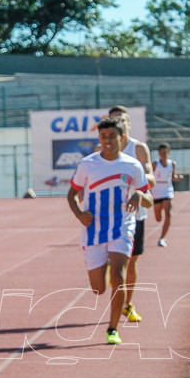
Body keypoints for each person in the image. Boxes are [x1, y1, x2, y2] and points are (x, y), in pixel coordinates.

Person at [66, 116, 150, 345]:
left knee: (119, 276)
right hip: (94, 229)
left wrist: (140, 195)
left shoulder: (132, 166)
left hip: (122, 225)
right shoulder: (88, 164)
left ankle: (112, 329)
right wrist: (79, 214)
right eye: (103, 136)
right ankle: (102, 268)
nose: (107, 140)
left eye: (112, 136)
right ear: (99, 138)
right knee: (98, 288)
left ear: (122, 138)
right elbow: (71, 194)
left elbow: (150, 199)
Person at [106, 105, 154, 324]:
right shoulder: (104, 150)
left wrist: (138, 183)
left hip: (135, 214)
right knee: (112, 264)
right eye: (114, 119)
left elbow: (151, 178)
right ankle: (111, 270)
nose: (119, 122)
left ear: (128, 124)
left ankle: (127, 305)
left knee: (132, 263)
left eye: (122, 120)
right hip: (109, 214)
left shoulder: (138, 148)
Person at [151, 143, 177, 247]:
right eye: (161, 153)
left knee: (168, 214)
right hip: (157, 192)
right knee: (158, 218)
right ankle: (161, 205)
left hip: (167, 190)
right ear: (159, 153)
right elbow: (150, 176)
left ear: (169, 153)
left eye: (165, 153)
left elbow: (173, 177)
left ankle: (162, 238)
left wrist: (177, 178)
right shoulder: (155, 164)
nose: (163, 155)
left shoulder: (172, 164)